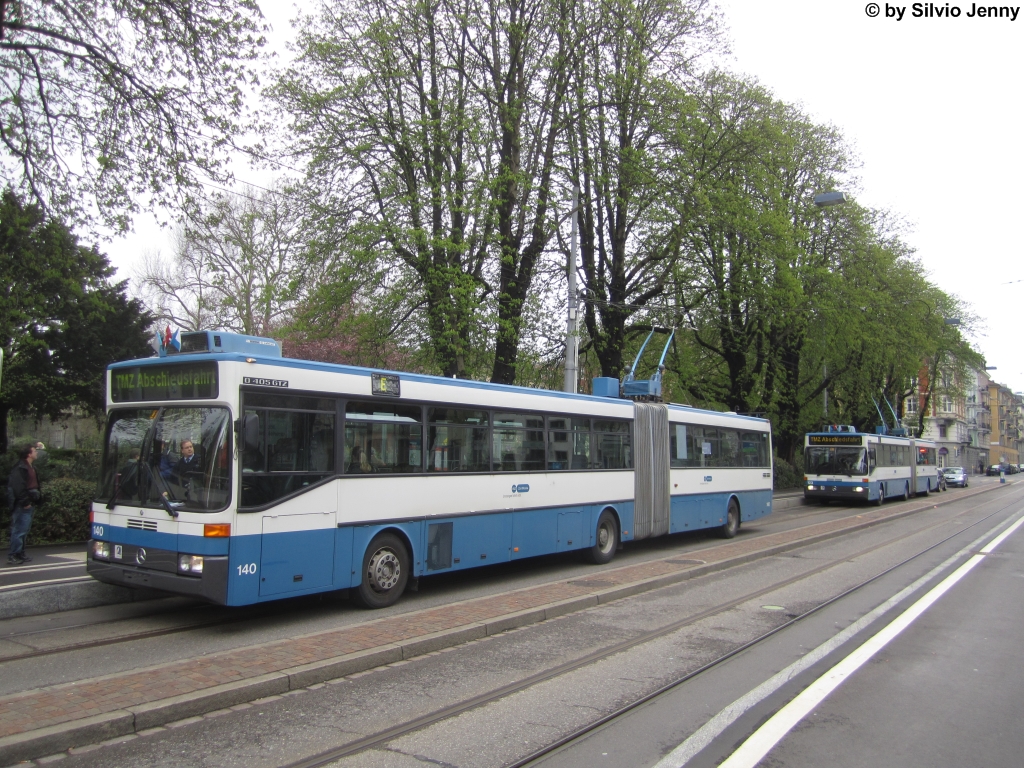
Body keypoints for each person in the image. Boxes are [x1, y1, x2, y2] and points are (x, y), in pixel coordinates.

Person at [7, 444, 41, 565]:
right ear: (29, 454)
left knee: (24, 529)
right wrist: (25, 502)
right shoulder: (20, 468)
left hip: (30, 501)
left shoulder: (31, 467)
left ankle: (20, 552)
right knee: (19, 529)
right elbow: (18, 487)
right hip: (23, 503)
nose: (36, 452)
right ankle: (13, 554)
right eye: (34, 451)